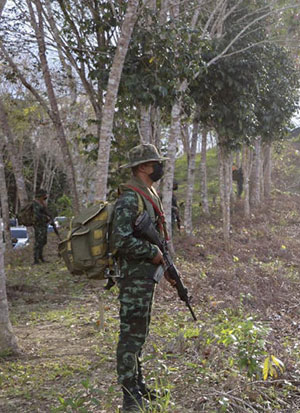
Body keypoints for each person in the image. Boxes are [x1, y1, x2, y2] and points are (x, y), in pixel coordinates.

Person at [112, 143, 175, 411]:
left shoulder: (149, 193)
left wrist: (166, 265)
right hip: (133, 278)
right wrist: (152, 252)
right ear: (143, 167)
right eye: (155, 163)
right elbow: (120, 240)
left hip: (145, 278)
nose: (159, 167)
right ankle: (129, 395)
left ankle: (138, 385)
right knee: (131, 336)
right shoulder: (129, 198)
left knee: (140, 334)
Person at [32, 189, 51, 264]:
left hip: (43, 225)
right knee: (38, 242)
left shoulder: (42, 203)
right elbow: (37, 215)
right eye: (44, 195)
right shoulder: (35, 204)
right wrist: (46, 218)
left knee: (43, 241)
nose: (45, 196)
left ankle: (40, 257)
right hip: (38, 225)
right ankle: (36, 259)